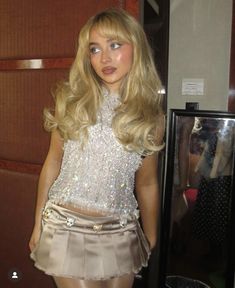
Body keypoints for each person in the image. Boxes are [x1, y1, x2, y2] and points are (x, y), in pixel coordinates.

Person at [29, 8, 165, 288]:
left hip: (122, 231)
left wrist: (151, 233)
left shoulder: (151, 116)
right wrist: (37, 222)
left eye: (115, 45)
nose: (105, 58)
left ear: (135, 47)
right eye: (95, 49)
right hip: (67, 227)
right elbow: (53, 162)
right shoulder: (72, 101)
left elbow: (148, 182)